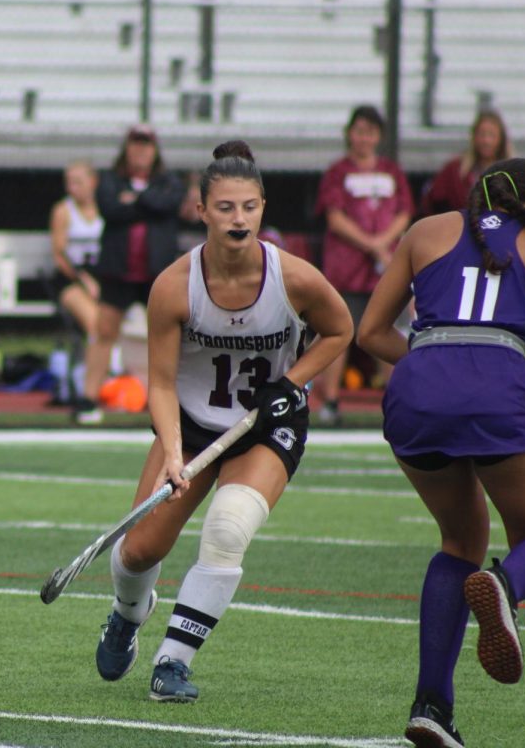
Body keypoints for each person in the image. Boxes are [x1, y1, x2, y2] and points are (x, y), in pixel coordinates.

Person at [93, 141, 352, 703]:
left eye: (250, 207)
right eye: (227, 208)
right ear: (201, 210)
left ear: (263, 208)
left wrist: (293, 382)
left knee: (228, 528)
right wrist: (170, 449)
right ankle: (126, 614)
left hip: (267, 425)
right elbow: (159, 382)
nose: (239, 219)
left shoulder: (295, 278)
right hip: (191, 422)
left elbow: (340, 329)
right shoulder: (173, 285)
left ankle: (172, 663)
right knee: (139, 551)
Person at [357, 158, 525, 746]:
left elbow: (370, 333)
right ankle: (506, 586)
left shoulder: (423, 231)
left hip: (417, 391)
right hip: (502, 389)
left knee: (459, 542)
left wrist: (438, 373)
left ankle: (432, 707)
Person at [75, 124, 185, 424]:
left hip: (156, 273)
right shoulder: (111, 180)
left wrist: (135, 201)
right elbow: (111, 208)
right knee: (104, 332)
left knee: (164, 336)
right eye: (135, 145)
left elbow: (166, 204)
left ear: (155, 150)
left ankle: (168, 400)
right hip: (118, 271)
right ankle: (88, 398)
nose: (140, 152)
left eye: (146, 146)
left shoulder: (168, 181)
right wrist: (145, 203)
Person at [312, 104, 413, 425]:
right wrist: (374, 245)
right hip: (347, 269)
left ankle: (400, 400)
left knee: (391, 331)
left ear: (379, 136)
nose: (364, 138)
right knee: (339, 331)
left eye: (370, 132)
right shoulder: (337, 172)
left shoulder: (392, 171)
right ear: (349, 134)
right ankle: (330, 401)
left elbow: (404, 213)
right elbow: (335, 218)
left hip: (385, 268)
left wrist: (384, 244)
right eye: (359, 131)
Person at [419, 108, 513, 218]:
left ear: (501, 139)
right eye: (482, 134)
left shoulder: (511, 172)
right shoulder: (455, 170)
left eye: (492, 135)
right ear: (473, 137)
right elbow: (434, 200)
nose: (486, 141)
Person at [48, 160, 103, 339]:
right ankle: (102, 366)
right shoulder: (63, 211)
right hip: (71, 278)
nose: (72, 188)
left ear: (93, 182)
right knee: (96, 323)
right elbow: (59, 255)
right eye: (69, 182)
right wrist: (84, 280)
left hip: (102, 276)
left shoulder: (105, 208)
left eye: (78, 182)